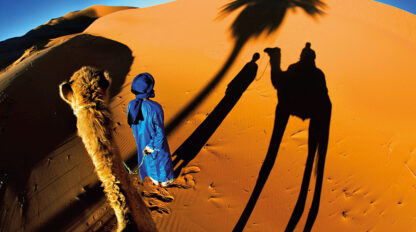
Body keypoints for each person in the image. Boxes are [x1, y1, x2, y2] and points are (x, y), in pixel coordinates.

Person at [127, 73, 174, 187]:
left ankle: (154, 179)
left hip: (140, 139)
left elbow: (131, 124)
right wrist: (152, 145)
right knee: (161, 158)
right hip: (154, 141)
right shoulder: (155, 107)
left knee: (146, 159)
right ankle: (164, 180)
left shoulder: (131, 105)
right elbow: (160, 131)